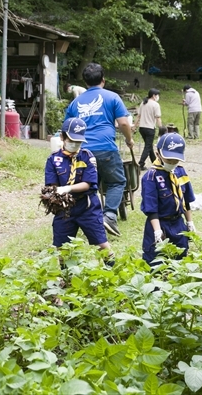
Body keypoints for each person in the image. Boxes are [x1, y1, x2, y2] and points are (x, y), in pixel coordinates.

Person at [64, 62, 134, 237]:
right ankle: (109, 215)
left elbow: (66, 129)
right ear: (103, 79)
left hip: (82, 151)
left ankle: (87, 218)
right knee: (117, 182)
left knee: (88, 186)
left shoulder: (75, 103)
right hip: (106, 148)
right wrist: (129, 139)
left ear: (85, 82)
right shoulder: (112, 97)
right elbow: (124, 122)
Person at [45, 117, 113, 263]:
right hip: (65, 208)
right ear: (62, 137)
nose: (75, 144)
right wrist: (54, 194)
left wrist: (67, 188)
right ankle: (65, 276)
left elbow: (88, 183)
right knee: (62, 248)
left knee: (101, 244)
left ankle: (114, 271)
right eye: (71, 140)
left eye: (78, 141)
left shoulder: (87, 157)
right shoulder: (53, 160)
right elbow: (51, 185)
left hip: (87, 207)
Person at [141, 133, 196, 266]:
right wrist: (157, 231)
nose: (172, 164)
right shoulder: (151, 177)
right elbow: (151, 208)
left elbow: (186, 201)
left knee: (181, 259)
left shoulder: (180, 172)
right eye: (169, 160)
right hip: (160, 224)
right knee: (156, 262)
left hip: (178, 223)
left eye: (175, 161)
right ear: (158, 154)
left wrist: (189, 222)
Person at [135, 89, 162, 171]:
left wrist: (134, 126)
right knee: (147, 146)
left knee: (149, 146)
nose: (158, 97)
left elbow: (138, 116)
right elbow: (158, 118)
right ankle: (141, 163)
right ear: (154, 95)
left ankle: (155, 162)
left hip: (142, 128)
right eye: (157, 95)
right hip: (150, 128)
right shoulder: (155, 105)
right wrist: (161, 129)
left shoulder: (143, 103)